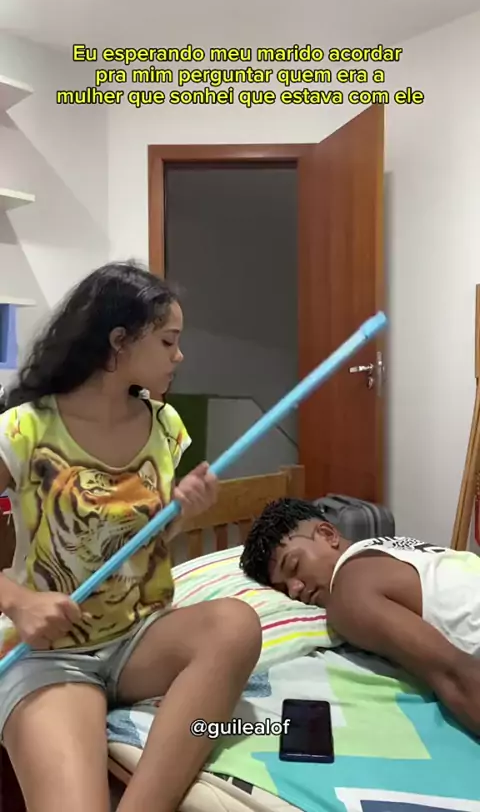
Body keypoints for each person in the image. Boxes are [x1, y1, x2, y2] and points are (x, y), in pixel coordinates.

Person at [0, 261, 261, 812]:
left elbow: (148, 542)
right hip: (55, 656)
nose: (179, 356)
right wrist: (17, 601)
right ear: (118, 342)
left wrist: (181, 511)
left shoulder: (166, 426)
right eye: (168, 341)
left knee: (236, 624)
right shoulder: (23, 428)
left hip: (142, 638)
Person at [240, 497, 480, 737]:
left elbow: (456, 677)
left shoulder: (348, 591)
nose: (294, 589)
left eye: (294, 565)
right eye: (283, 589)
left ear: (328, 535)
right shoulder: (394, 549)